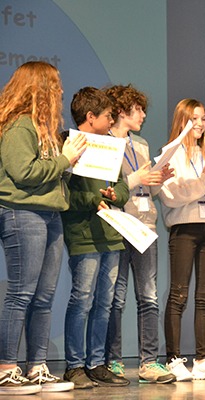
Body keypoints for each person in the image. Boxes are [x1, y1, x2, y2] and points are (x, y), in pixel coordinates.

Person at [0, 62, 85, 395]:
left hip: (50, 214)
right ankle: (6, 367)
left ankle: (37, 366)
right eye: (55, 84)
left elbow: (50, 173)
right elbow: (23, 172)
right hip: (23, 213)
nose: (61, 90)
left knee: (44, 296)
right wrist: (64, 160)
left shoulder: (44, 129)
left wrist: (68, 164)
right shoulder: (20, 125)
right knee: (21, 293)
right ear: (39, 89)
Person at [103, 84, 176, 384]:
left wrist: (160, 179)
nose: (144, 115)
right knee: (116, 297)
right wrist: (138, 178)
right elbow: (109, 188)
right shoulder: (104, 144)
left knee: (149, 296)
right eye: (139, 110)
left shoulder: (141, 145)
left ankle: (149, 362)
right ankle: (113, 361)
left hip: (146, 226)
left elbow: (149, 190)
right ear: (122, 111)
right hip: (119, 225)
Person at [159, 99, 205, 381]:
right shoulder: (170, 153)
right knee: (178, 294)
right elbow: (172, 195)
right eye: (194, 119)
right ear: (182, 121)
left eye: (203, 118)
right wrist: (203, 181)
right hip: (184, 229)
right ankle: (173, 359)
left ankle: (203, 359)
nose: (200, 124)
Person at [62, 87, 130, 389]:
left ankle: (97, 363)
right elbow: (64, 195)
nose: (111, 121)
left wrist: (115, 195)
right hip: (83, 235)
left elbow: (122, 186)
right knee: (82, 300)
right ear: (90, 117)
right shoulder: (69, 145)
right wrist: (92, 199)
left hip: (110, 234)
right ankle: (75, 365)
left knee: (104, 302)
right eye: (107, 116)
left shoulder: (111, 146)